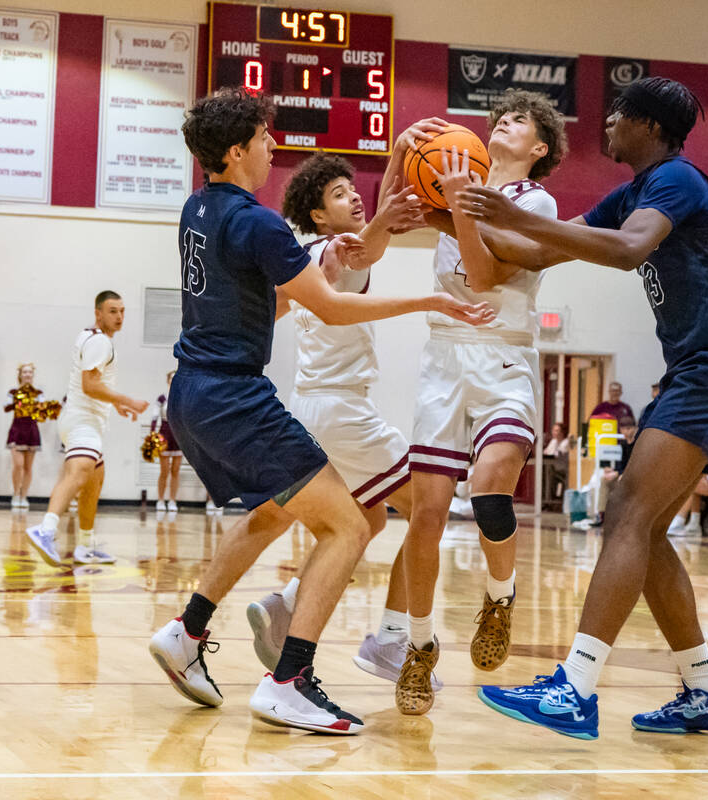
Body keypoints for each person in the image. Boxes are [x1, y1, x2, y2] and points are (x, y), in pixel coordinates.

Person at [145, 87, 492, 735]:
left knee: (275, 514)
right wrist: (431, 304)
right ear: (234, 150)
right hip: (236, 396)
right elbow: (330, 305)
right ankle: (290, 680)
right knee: (351, 527)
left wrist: (385, 195)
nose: (272, 148)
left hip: (190, 394)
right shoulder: (260, 224)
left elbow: (280, 303)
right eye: (263, 138)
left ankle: (187, 631)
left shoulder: (198, 209)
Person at [462, 76, 708, 737]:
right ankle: (706, 691)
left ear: (650, 128)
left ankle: (574, 688)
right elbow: (541, 248)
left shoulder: (680, 181)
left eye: (617, 118)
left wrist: (512, 214)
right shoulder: (634, 191)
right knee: (645, 525)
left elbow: (629, 250)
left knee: (626, 512)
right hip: (699, 367)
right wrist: (456, 213)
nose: (606, 129)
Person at [391, 89, 569, 716]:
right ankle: (418, 647)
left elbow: (486, 272)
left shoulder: (535, 201)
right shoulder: (455, 182)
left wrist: (454, 204)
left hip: (502, 353)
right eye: (500, 116)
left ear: (539, 148)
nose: (503, 123)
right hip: (444, 355)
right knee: (427, 515)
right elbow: (394, 209)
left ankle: (500, 596)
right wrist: (403, 150)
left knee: (491, 487)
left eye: (520, 120)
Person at [243, 149, 441, 692]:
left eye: (354, 188)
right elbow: (365, 248)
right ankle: (392, 639)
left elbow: (370, 237)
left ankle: (284, 605)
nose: (353, 196)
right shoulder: (337, 250)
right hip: (343, 412)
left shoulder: (305, 259)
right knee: (428, 508)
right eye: (338, 194)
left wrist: (399, 159)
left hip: (312, 408)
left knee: (368, 520)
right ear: (318, 217)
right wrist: (386, 203)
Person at [26, 292, 149, 566]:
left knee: (94, 481)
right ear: (98, 314)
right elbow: (89, 385)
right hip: (82, 420)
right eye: (112, 311)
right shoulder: (100, 343)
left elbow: (94, 384)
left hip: (83, 418)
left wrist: (114, 404)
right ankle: (45, 529)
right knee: (80, 472)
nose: (119, 317)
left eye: (122, 311)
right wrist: (127, 400)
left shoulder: (90, 336)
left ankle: (85, 545)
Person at [4, 362, 46, 510]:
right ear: (20, 375)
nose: (27, 374)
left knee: (28, 467)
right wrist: (20, 401)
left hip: (32, 431)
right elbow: (6, 407)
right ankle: (16, 493)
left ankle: (24, 496)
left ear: (33, 375)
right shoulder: (13, 392)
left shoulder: (38, 393)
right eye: (25, 372)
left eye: (30, 372)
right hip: (17, 430)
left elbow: (42, 413)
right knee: (18, 465)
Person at [152, 371, 183, 514]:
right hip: (164, 434)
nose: (173, 380)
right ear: (168, 380)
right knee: (163, 471)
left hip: (179, 435)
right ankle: (160, 500)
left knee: (175, 471)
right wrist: (153, 435)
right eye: (171, 378)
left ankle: (172, 500)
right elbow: (154, 417)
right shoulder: (162, 398)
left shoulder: (183, 397)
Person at [543, 422, 571, 507]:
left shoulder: (566, 442)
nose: (554, 432)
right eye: (553, 430)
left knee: (548, 474)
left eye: (557, 430)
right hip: (553, 466)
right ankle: (547, 499)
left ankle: (550, 500)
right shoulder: (553, 441)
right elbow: (547, 452)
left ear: (562, 432)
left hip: (563, 469)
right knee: (544, 474)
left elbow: (559, 453)